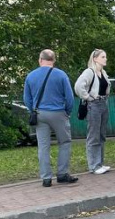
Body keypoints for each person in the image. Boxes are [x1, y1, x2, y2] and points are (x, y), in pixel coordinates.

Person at [23, 49, 77, 187]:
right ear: (53, 60)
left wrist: (33, 110)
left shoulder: (31, 76)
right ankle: (62, 174)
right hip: (58, 112)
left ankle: (46, 178)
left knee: (43, 146)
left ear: (40, 60)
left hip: (39, 114)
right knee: (64, 142)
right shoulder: (61, 75)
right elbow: (69, 97)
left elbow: (27, 99)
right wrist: (67, 112)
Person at [75, 49, 111, 175]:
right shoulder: (89, 72)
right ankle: (94, 166)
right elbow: (78, 86)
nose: (105, 59)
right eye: (103, 56)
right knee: (93, 135)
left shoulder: (103, 72)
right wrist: (88, 97)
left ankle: (100, 163)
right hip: (93, 105)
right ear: (95, 58)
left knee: (101, 135)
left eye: (105, 56)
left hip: (103, 104)